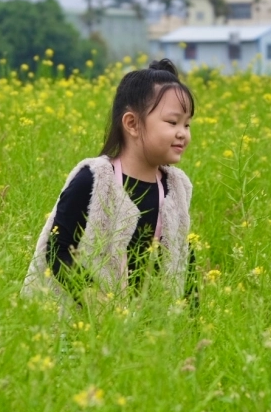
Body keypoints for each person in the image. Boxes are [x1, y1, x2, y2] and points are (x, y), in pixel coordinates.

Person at [22, 58, 198, 308]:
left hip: (147, 332)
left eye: (187, 124)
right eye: (172, 122)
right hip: (83, 326)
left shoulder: (176, 188)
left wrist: (192, 328)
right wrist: (96, 302)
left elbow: (184, 262)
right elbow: (57, 249)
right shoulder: (94, 179)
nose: (183, 132)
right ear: (132, 124)